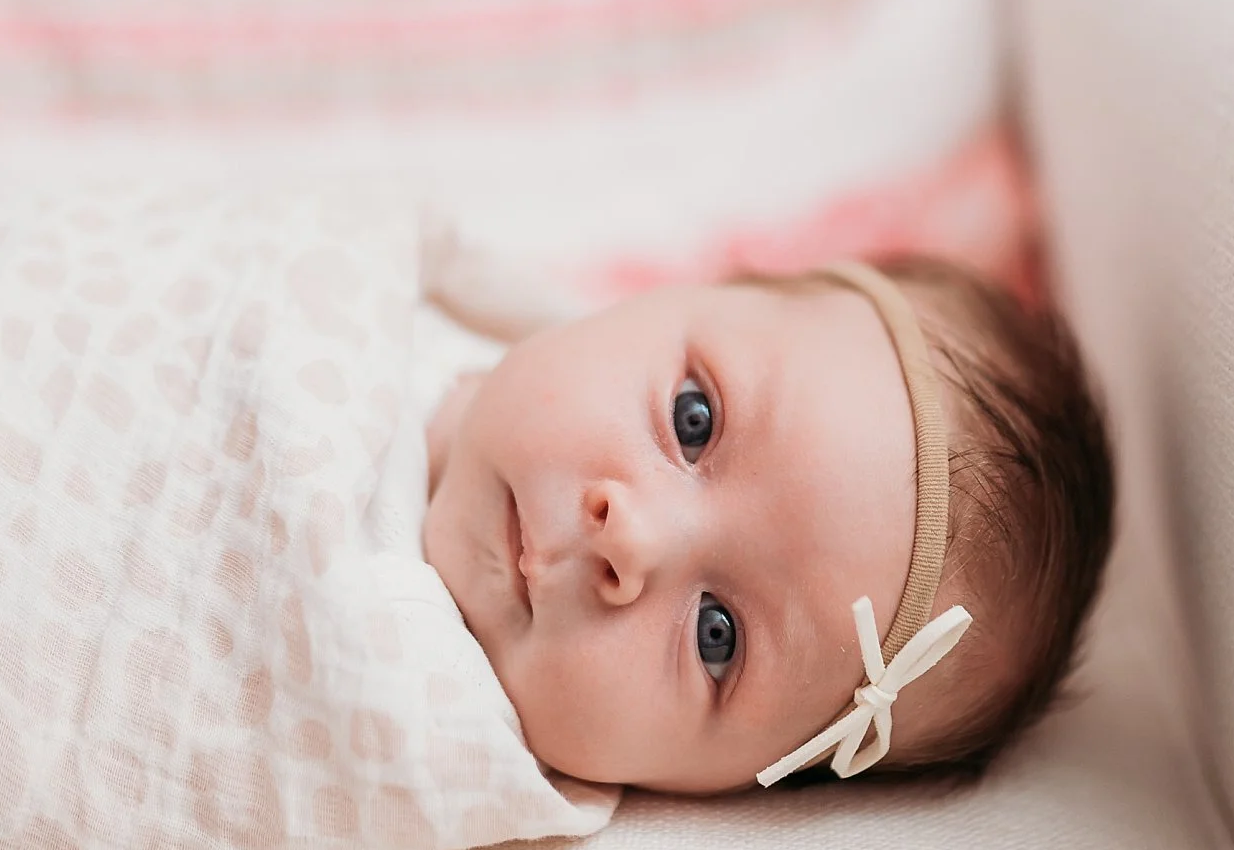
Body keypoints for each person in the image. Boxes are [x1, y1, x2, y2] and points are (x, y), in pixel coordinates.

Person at [422, 255, 1115, 795]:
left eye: (716, 635)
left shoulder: (426, 743)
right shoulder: (437, 276)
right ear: (685, 289)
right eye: (694, 421)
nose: (632, 539)